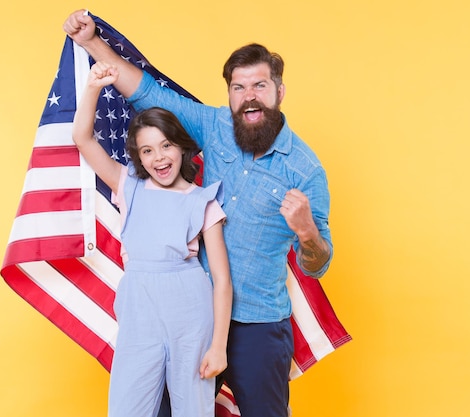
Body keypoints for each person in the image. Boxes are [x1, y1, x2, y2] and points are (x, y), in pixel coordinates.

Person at [64, 10, 333, 417]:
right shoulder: (214, 125)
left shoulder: (305, 170)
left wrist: (309, 233)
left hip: (258, 325)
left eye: (260, 85)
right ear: (229, 94)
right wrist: (91, 42)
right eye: (239, 87)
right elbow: (146, 93)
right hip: (192, 318)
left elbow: (317, 265)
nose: (249, 96)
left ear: (279, 91)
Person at [73, 61, 233, 417]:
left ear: (181, 148)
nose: (159, 157)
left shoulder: (203, 201)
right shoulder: (128, 186)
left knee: (192, 405)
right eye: (147, 151)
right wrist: (93, 88)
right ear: (139, 158)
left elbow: (222, 280)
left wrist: (218, 346)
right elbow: (82, 138)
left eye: (166, 146)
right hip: (139, 306)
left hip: (190, 309)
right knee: (129, 405)